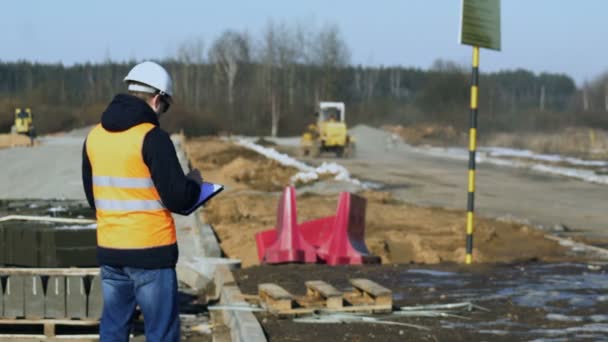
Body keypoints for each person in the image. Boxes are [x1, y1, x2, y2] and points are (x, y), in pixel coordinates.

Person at [81, 61, 203, 341]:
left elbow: (93, 197)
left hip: (111, 251)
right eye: (165, 106)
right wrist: (194, 185)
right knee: (160, 333)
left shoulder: (94, 137)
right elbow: (177, 199)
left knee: (113, 328)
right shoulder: (153, 138)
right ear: (157, 99)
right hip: (151, 252)